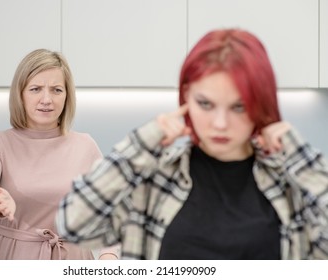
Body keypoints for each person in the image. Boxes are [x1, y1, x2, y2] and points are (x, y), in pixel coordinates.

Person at [56, 28, 328, 260]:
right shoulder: (154, 176)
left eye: (239, 107)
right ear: (186, 95)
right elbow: (74, 224)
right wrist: (141, 144)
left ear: (260, 105)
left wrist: (301, 157)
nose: (220, 123)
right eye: (205, 104)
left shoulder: (291, 184)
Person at [0, 49, 120, 260]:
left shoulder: (85, 146)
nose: (46, 99)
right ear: (20, 94)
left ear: (67, 96)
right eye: (36, 89)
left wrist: (109, 255)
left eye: (57, 90)